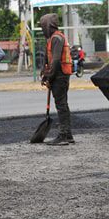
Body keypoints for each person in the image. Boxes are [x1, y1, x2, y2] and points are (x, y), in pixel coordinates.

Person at [39, 13, 75, 145]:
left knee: (61, 105)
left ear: (48, 25)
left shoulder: (57, 39)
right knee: (62, 105)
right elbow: (47, 59)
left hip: (60, 76)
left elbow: (55, 61)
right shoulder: (51, 39)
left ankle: (64, 135)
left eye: (43, 26)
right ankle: (68, 135)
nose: (42, 29)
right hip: (57, 75)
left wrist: (49, 76)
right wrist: (45, 74)